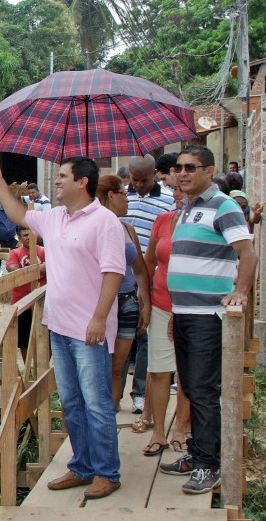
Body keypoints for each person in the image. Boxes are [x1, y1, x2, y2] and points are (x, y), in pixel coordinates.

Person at [0, 156, 125, 500]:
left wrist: (99, 318)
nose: (56, 181)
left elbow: (114, 273)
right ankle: (82, 466)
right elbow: (19, 215)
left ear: (82, 183)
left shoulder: (104, 222)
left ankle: (108, 472)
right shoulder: (56, 217)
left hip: (89, 329)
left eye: (62, 176)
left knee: (96, 403)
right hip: (59, 326)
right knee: (73, 402)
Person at [159, 145, 257, 495]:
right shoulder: (186, 209)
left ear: (209, 170)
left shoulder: (224, 206)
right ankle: (197, 453)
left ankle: (207, 465)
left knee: (202, 390)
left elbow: (247, 252)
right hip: (185, 313)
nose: (182, 173)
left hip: (206, 316)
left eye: (191, 167)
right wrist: (176, 312)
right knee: (189, 385)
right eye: (179, 168)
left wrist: (241, 292)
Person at [120, 155, 174, 414]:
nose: (139, 185)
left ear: (155, 174)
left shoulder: (168, 200)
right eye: (135, 180)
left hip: (150, 276)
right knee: (121, 335)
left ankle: (139, 392)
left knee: (145, 336)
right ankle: (114, 395)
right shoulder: (121, 197)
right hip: (122, 276)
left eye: (145, 180)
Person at [94, 175, 151, 418]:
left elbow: (139, 267)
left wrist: (145, 302)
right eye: (124, 193)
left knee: (118, 365)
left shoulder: (127, 228)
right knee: (99, 364)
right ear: (109, 196)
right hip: (98, 303)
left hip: (127, 301)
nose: (128, 198)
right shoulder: (92, 226)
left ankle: (112, 413)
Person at [142, 186, 192, 456]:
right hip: (161, 303)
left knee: (187, 372)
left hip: (192, 307)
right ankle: (158, 431)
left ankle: (181, 428)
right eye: (176, 190)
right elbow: (150, 262)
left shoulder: (203, 223)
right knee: (160, 369)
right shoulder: (162, 221)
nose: (178, 194)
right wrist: (145, 300)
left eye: (184, 191)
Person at [5, 224, 46, 354]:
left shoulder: (44, 251)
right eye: (25, 235)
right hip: (22, 302)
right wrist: (39, 270)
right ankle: (29, 372)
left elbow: (50, 267)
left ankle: (42, 370)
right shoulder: (15, 253)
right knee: (24, 340)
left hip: (44, 301)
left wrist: (26, 272)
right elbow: (12, 269)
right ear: (19, 238)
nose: (29, 237)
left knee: (47, 339)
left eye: (32, 234)